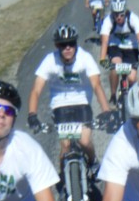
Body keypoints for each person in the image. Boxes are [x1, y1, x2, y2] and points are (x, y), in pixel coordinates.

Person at [28, 24, 110, 179]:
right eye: (63, 45)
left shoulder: (85, 58)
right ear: (57, 46)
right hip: (60, 105)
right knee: (65, 145)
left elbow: (97, 85)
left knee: (84, 141)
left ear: (76, 44)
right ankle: (65, 179)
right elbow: (36, 90)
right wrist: (32, 114)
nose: (68, 48)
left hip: (82, 102)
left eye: (71, 43)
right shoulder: (50, 60)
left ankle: (92, 161)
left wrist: (106, 111)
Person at [99, 0, 139, 105]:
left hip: (131, 48)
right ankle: (113, 95)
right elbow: (104, 41)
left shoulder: (133, 19)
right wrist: (103, 59)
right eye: (115, 14)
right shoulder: (108, 21)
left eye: (121, 14)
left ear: (125, 12)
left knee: (131, 78)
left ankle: (138, 94)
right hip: (115, 47)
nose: (118, 17)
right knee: (115, 66)